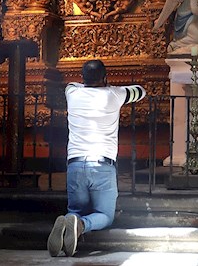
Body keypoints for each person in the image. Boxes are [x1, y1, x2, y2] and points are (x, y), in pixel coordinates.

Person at [48, 60, 147, 257]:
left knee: (75, 209)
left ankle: (71, 221)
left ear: (83, 77)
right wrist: (110, 86)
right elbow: (140, 91)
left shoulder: (72, 93)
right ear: (105, 77)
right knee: (105, 215)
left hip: (75, 163)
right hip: (102, 164)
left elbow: (71, 84)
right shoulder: (114, 95)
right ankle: (82, 225)